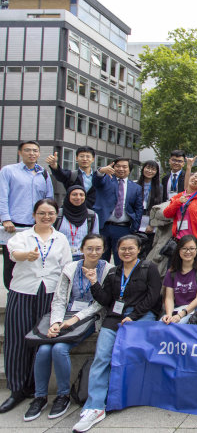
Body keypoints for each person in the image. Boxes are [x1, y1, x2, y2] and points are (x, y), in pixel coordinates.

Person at [71, 235, 161, 432]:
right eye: (122, 249)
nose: (126, 252)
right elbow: (106, 299)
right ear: (117, 251)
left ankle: (120, 397)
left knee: (127, 357)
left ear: (138, 250)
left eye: (130, 248)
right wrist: (94, 282)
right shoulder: (113, 273)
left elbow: (153, 297)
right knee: (101, 357)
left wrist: (135, 316)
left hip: (142, 317)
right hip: (115, 317)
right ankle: (95, 406)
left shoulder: (149, 268)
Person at [24, 234, 112, 422]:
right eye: (89, 248)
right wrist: (56, 321)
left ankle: (62, 395)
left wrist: (76, 319)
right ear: (82, 249)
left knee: (60, 349)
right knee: (43, 349)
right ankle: (40, 397)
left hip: (89, 319)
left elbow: (101, 303)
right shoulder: (71, 268)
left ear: (103, 250)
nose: (94, 252)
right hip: (66, 316)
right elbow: (60, 298)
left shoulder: (108, 270)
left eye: (98, 248)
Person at [0, 199, 71, 414]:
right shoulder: (21, 237)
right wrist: (27, 256)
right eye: (42, 213)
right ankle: (17, 389)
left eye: (51, 213)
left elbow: (66, 267)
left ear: (56, 216)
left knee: (41, 339)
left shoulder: (60, 239)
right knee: (16, 339)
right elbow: (14, 254)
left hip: (49, 292)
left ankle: (36, 389)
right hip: (23, 291)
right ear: (34, 215)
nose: (46, 217)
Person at [1, 140, 54, 289]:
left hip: (37, 226)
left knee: (35, 263)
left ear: (39, 153)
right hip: (14, 226)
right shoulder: (9, 171)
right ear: (20, 152)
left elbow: (49, 199)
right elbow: (2, 195)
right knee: (11, 263)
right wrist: (6, 219)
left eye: (35, 151)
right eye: (27, 150)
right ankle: (12, 294)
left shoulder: (43, 173)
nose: (32, 154)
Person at [93, 158, 143, 266]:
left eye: (124, 167)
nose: (121, 169)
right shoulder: (106, 180)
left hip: (123, 228)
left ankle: (119, 282)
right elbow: (96, 180)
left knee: (121, 262)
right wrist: (101, 170)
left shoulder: (136, 188)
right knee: (100, 261)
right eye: (118, 166)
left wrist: (135, 228)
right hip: (104, 227)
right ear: (113, 167)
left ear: (130, 170)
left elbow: (138, 209)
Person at [162, 166, 197, 255]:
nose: (196, 179)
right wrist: (178, 202)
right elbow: (167, 214)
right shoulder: (178, 197)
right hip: (179, 240)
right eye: (195, 176)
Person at [161, 235, 197, 324]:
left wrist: (181, 314)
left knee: (179, 324)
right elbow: (169, 298)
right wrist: (169, 314)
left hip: (196, 308)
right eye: (184, 248)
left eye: (192, 248)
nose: (188, 252)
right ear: (179, 250)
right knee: (162, 323)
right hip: (177, 308)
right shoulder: (171, 272)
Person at [55, 186, 99, 261]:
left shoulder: (92, 216)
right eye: (74, 194)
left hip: (83, 258)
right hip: (60, 257)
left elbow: (95, 239)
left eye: (81, 195)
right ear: (68, 196)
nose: (78, 197)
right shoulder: (58, 214)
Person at [136, 160, 163, 258]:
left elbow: (159, 208)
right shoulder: (136, 185)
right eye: (148, 168)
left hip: (150, 223)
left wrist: (152, 224)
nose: (150, 171)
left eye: (153, 169)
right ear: (143, 169)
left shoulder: (159, 187)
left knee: (148, 253)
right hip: (137, 222)